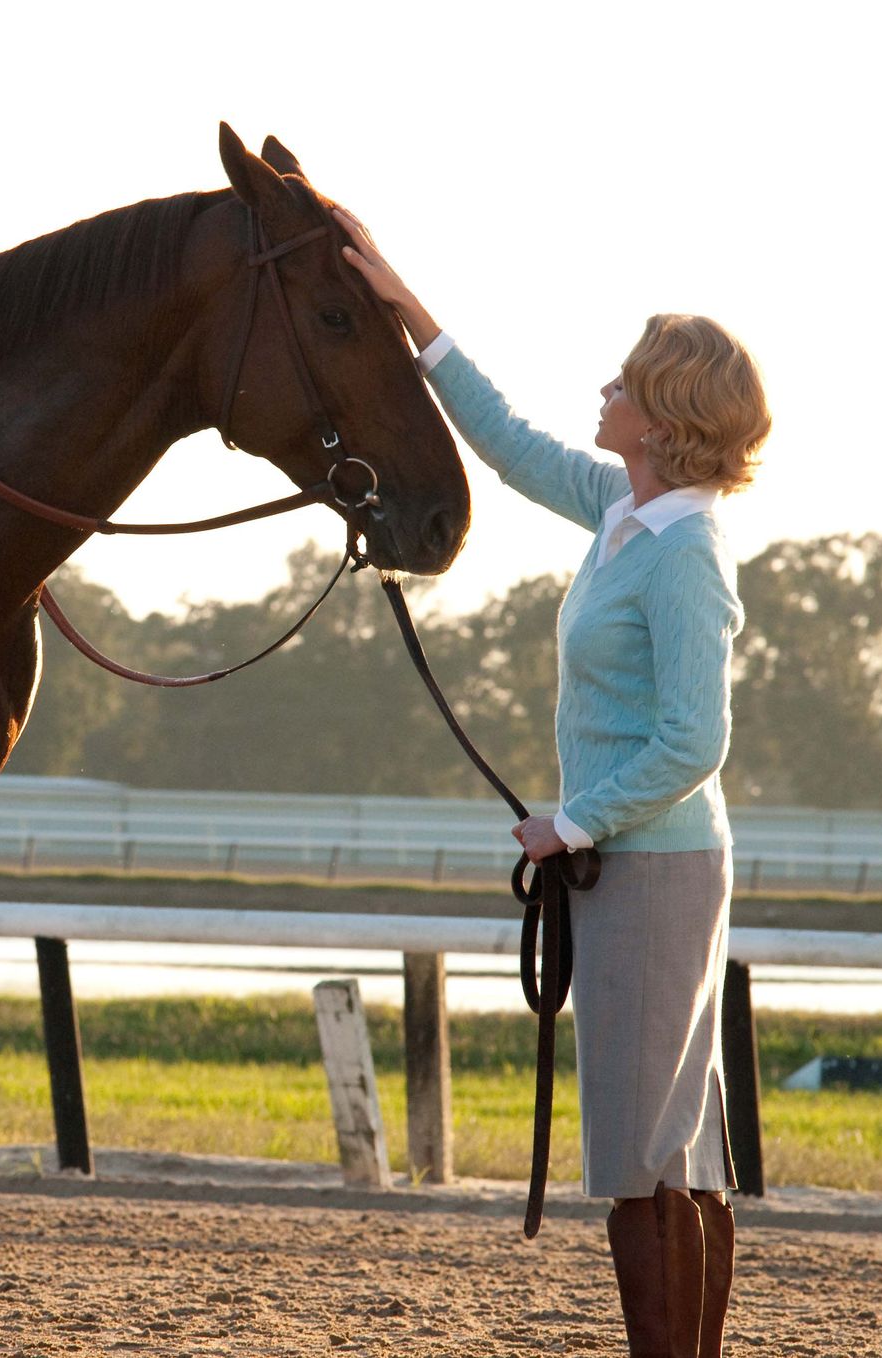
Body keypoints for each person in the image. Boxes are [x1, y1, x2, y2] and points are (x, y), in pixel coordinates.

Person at [338, 208, 771, 1358]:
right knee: (677, 1143)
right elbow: (508, 440)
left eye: (625, 379)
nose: (605, 387)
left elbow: (693, 738)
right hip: (645, 856)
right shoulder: (624, 511)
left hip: (652, 858)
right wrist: (403, 307)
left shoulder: (682, 554)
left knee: (641, 1152)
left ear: (665, 414)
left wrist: (569, 819)